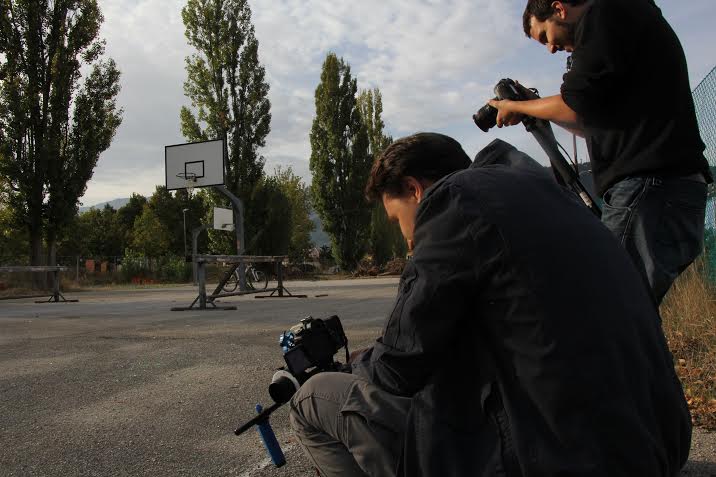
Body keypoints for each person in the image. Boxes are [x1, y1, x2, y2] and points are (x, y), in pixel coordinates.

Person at [289, 132, 691, 477]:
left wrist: (356, 364)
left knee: (311, 397)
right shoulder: (551, 197)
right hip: (655, 442)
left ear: (414, 189)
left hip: (564, 460)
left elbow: (399, 365)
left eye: (398, 221)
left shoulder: (453, 202)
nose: (407, 240)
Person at [487, 0, 712, 304]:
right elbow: (590, 122)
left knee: (607, 306)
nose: (551, 49)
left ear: (559, 8)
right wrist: (536, 109)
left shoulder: (605, 14)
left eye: (544, 37)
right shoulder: (627, 22)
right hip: (669, 189)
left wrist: (515, 105)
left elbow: (575, 105)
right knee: (632, 313)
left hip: (650, 188)